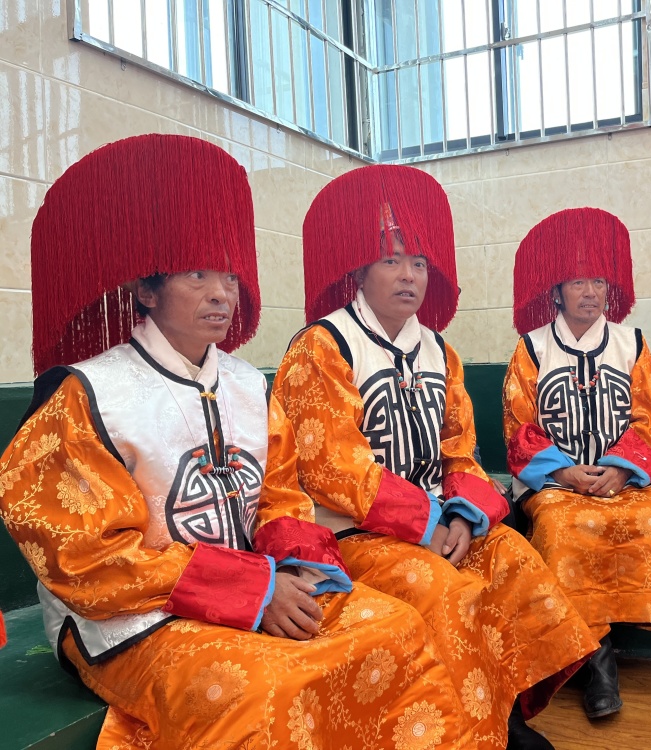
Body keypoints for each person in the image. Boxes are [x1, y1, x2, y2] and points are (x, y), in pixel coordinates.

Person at [0, 135, 470, 749]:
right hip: (130, 618)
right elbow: (85, 558)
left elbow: (281, 499)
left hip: (262, 580)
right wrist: (247, 590)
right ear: (146, 290)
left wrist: (292, 568)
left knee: (394, 626)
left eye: (228, 274)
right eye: (197, 274)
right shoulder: (87, 393)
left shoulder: (248, 385)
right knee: (263, 686)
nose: (222, 293)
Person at [268, 165, 598, 750]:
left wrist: (464, 516)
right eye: (391, 260)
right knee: (443, 590)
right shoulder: (323, 345)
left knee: (513, 558)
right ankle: (481, 732)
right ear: (359, 271)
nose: (409, 275)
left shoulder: (440, 351)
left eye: (419, 263)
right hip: (354, 536)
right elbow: (333, 469)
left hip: (441, 521)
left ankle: (504, 711)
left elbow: (461, 452)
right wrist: (427, 524)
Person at [501, 208, 651, 720]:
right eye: (578, 282)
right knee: (561, 527)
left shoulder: (631, 343)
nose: (590, 292)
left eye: (598, 281)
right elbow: (518, 428)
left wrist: (620, 469)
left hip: (621, 478)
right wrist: (564, 472)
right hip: (555, 482)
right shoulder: (532, 348)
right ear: (557, 292)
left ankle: (601, 644)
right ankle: (596, 660)